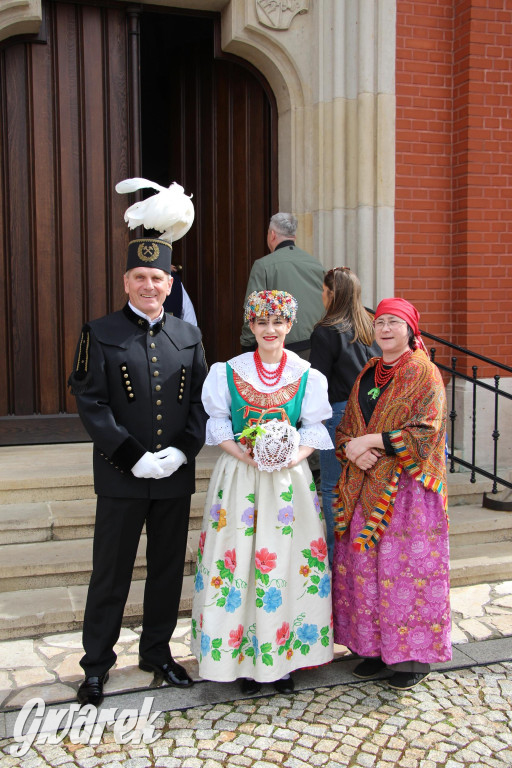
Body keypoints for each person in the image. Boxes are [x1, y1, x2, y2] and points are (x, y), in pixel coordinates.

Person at [68, 236, 208, 707]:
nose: (149, 285)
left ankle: (156, 653)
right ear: (126, 281)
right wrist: (133, 457)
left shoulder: (188, 336)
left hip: (173, 478)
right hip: (120, 477)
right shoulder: (99, 331)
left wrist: (182, 452)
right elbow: (92, 403)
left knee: (167, 571)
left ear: (169, 284)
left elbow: (199, 405)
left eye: (157, 278)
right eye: (140, 278)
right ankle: (96, 666)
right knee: (111, 574)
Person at [192, 290, 334, 695]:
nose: (270, 330)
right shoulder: (226, 372)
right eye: (261, 322)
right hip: (240, 478)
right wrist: (251, 457)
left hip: (288, 485)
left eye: (278, 322)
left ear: (290, 325)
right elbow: (218, 424)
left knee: (284, 566)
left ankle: (282, 660)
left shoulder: (308, 374)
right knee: (236, 565)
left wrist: (290, 455)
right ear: (250, 326)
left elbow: (314, 430)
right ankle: (236, 661)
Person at [332, 297, 450, 691]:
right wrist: (353, 447)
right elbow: (347, 423)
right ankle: (375, 650)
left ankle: (411, 661)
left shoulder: (424, 372)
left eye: (393, 323)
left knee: (405, 573)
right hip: (366, 485)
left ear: (411, 329)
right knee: (367, 571)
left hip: (407, 493)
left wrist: (367, 441)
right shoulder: (368, 370)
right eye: (379, 322)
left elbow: (426, 431)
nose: (385, 329)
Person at [309, 267, 380, 567]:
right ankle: (364, 562)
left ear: (331, 294)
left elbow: (319, 382)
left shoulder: (326, 329)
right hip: (374, 414)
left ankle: (338, 565)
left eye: (324, 292)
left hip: (339, 413)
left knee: (333, 488)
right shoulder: (372, 323)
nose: (322, 297)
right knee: (367, 489)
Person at [240, 213, 325, 360]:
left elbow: (252, 309)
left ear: (272, 235)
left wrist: (246, 345)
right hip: (317, 348)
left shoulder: (263, 266)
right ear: (294, 236)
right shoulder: (316, 265)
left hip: (281, 350)